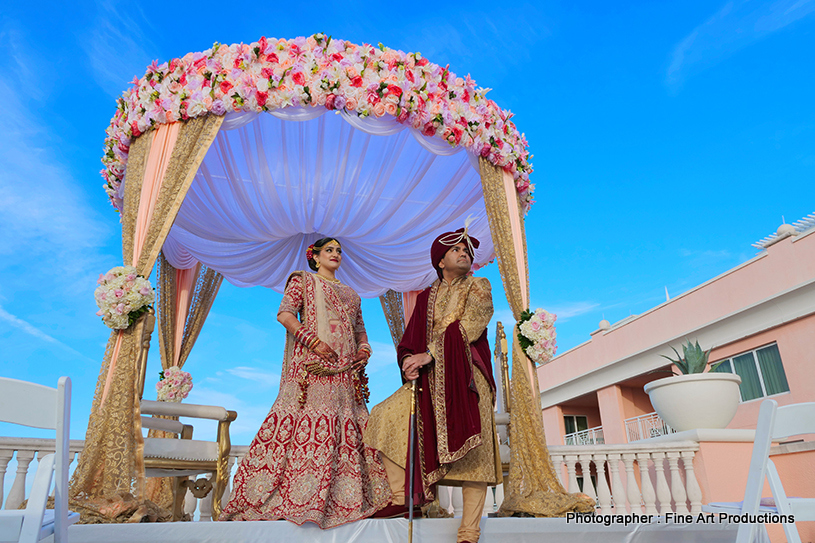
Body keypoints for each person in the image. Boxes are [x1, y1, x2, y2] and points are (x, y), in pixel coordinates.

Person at [219, 237, 392, 528]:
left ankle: (347, 496)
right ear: (315, 257)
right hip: (314, 368)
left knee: (348, 423)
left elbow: (360, 329)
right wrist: (314, 342)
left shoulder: (351, 293)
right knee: (311, 426)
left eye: (338, 251)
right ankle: (301, 495)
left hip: (347, 372)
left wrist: (364, 350)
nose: (335, 254)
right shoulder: (303, 282)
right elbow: (285, 314)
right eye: (329, 250)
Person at [366, 227, 501, 543]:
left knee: (474, 452)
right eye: (456, 250)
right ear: (440, 261)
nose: (464, 253)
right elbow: (410, 338)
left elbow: (473, 324)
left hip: (468, 374)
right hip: (429, 378)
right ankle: (404, 498)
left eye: (467, 250)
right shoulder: (427, 296)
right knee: (384, 415)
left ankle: (469, 530)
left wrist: (430, 354)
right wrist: (409, 361)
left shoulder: (478, 286)